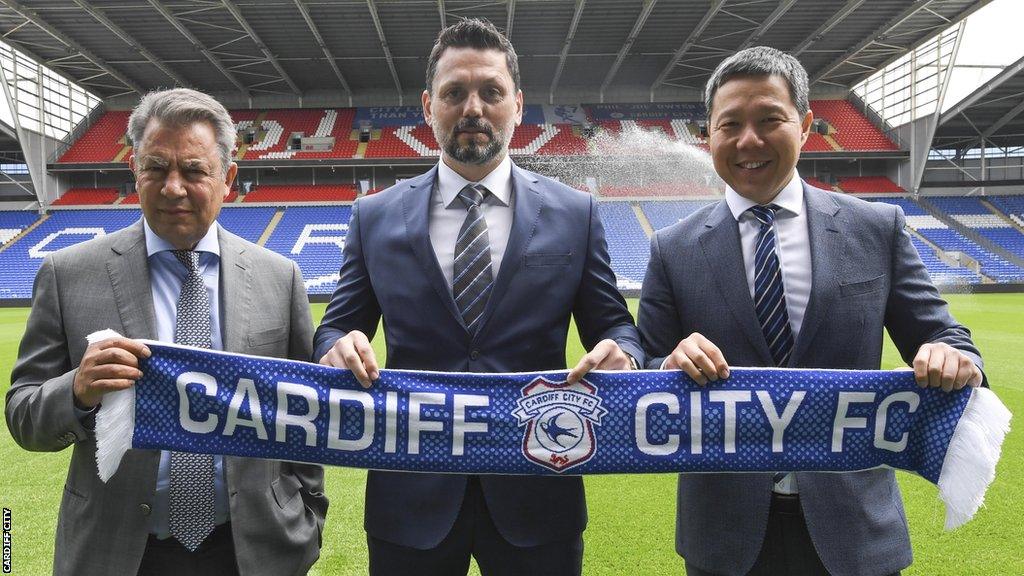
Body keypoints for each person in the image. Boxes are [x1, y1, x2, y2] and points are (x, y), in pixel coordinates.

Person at [637, 47, 984, 576]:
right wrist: (667, 363)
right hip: (725, 537)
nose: (748, 140)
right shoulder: (672, 248)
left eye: (769, 119)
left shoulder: (877, 228)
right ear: (708, 137)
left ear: (803, 126)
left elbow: (944, 335)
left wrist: (950, 354)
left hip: (856, 533)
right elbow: (644, 369)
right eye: (729, 124)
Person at [314, 18, 642, 576]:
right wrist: (336, 346)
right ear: (428, 106)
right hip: (409, 496)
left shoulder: (575, 214)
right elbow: (334, 326)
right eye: (454, 93)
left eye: (491, 92)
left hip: (538, 489)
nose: (473, 108)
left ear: (517, 105)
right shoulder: (374, 217)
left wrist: (623, 353)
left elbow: (617, 327)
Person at [6, 88, 327, 576]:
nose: (173, 187)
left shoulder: (278, 277)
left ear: (228, 179)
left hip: (253, 550)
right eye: (156, 168)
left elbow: (304, 413)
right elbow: (23, 415)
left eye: (194, 170)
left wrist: (308, 513)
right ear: (134, 171)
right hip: (118, 551)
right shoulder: (68, 273)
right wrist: (75, 390)